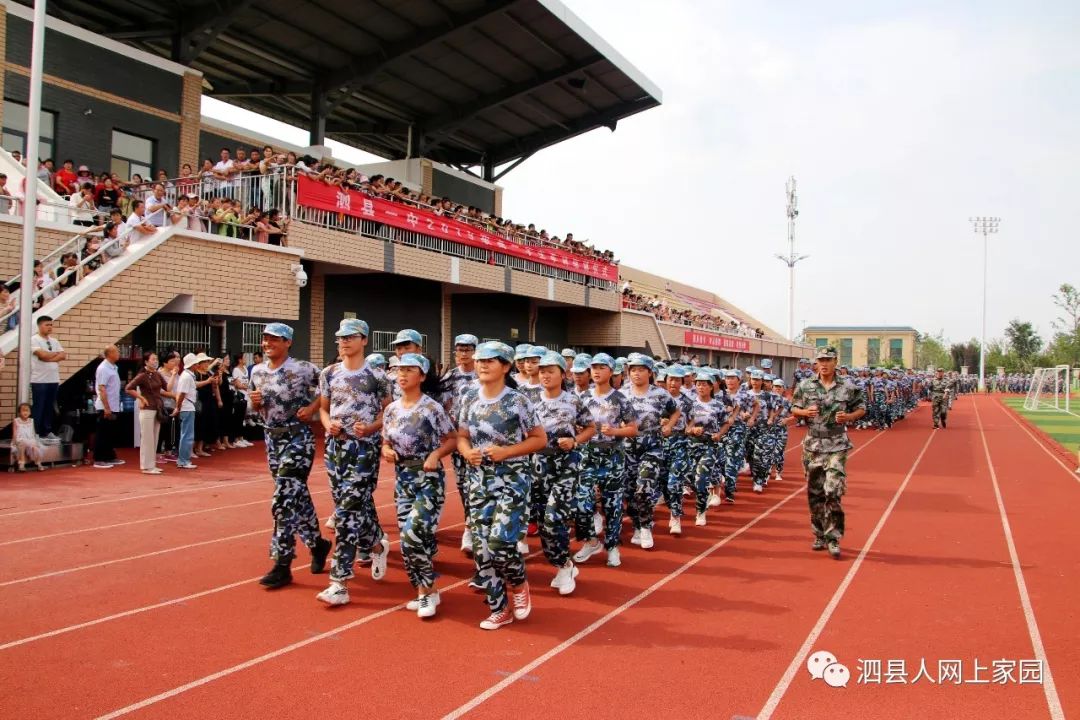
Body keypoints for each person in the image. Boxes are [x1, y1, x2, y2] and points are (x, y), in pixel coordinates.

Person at [456, 341, 546, 630]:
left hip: (512, 480)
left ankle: (519, 584)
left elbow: (539, 439)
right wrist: (466, 451)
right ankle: (499, 608)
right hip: (479, 481)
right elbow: (461, 435)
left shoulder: (517, 401)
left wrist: (506, 452)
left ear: (505, 366)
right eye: (480, 359)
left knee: (501, 542)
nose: (482, 364)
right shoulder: (469, 396)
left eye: (490, 360)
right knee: (482, 550)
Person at [315, 318, 392, 606]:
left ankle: (339, 582)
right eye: (340, 337)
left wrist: (372, 428)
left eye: (350, 337)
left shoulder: (377, 376)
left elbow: (390, 412)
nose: (344, 342)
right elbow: (323, 409)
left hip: (364, 450)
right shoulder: (329, 373)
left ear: (364, 340)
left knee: (347, 512)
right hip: (335, 448)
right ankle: (375, 544)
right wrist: (328, 423)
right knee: (351, 506)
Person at [249, 322, 332, 589]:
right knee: (297, 497)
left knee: (284, 497)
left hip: (298, 438)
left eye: (274, 339)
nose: (268, 343)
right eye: (265, 339)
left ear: (287, 343)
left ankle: (282, 563)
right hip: (272, 439)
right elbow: (252, 406)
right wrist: (255, 402)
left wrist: (312, 408)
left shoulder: (303, 368)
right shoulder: (258, 371)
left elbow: (327, 387)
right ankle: (318, 544)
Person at [381, 353, 458, 618]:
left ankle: (427, 592)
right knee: (407, 541)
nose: (402, 374)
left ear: (422, 376)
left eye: (410, 370)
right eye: (399, 370)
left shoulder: (431, 408)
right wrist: (386, 450)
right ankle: (424, 588)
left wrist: (436, 455)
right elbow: (386, 441)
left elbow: (452, 438)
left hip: (428, 480)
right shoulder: (391, 409)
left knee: (414, 534)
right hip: (403, 480)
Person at [791, 346, 866, 559]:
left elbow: (862, 408)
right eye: (820, 360)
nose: (823, 364)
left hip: (837, 444)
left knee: (833, 490)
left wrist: (849, 417)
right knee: (815, 493)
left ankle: (833, 537)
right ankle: (819, 534)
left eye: (828, 360)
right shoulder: (806, 386)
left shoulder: (848, 387)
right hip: (813, 445)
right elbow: (794, 408)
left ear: (835, 362)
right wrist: (804, 412)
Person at [532, 352, 594, 594]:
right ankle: (560, 561)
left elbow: (590, 427)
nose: (545, 375)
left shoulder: (573, 401)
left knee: (554, 517)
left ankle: (564, 565)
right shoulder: (530, 402)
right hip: (539, 465)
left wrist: (575, 441)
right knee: (541, 521)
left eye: (550, 371)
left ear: (562, 374)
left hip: (566, 464)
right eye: (542, 371)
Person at [573, 353, 638, 568]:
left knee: (613, 505)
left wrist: (616, 431)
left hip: (612, 456)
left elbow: (633, 429)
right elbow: (575, 424)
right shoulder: (582, 398)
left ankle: (612, 547)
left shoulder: (620, 399)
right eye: (594, 367)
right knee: (582, 503)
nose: (596, 371)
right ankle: (591, 541)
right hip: (587, 455)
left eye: (602, 367)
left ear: (611, 371)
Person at [623, 354, 679, 549]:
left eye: (640, 369)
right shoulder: (621, 394)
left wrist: (669, 425)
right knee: (629, 492)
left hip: (652, 446)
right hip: (628, 448)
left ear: (650, 372)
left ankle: (646, 527)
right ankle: (638, 525)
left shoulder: (660, 394)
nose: (636, 374)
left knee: (644, 487)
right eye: (633, 370)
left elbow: (676, 411)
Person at [442, 334, 479, 555]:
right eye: (459, 349)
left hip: (481, 439)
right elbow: (442, 405)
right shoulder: (450, 377)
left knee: (479, 484)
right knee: (463, 484)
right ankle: (470, 524)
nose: (463, 354)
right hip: (458, 439)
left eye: (467, 349)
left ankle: (474, 527)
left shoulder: (482, 375)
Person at [126, 351, 166, 474]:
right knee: (147, 438)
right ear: (146, 361)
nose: (155, 361)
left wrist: (174, 374)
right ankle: (146, 466)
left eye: (156, 359)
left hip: (157, 408)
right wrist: (141, 398)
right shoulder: (142, 375)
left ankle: (152, 464)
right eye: (153, 359)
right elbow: (128, 388)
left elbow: (167, 388)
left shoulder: (157, 374)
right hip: (147, 409)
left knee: (155, 437)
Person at [30, 316, 66, 438]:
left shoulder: (54, 341)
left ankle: (47, 431)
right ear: (40, 326)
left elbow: (63, 355)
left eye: (51, 325)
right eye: (47, 325)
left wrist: (50, 355)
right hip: (39, 380)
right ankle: (36, 432)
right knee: (39, 406)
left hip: (53, 379)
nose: (50, 327)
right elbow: (42, 355)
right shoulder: (34, 339)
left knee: (50, 406)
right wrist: (54, 355)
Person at [174, 353, 207, 469]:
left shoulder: (188, 375)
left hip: (188, 406)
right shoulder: (187, 376)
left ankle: (184, 459)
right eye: (196, 363)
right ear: (192, 364)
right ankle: (183, 460)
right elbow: (182, 393)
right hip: (187, 407)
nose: (197, 364)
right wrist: (178, 407)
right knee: (187, 435)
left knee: (187, 435)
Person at [93, 345, 124, 469]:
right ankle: (99, 458)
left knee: (110, 433)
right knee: (103, 433)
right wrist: (106, 408)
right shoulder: (103, 368)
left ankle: (109, 455)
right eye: (117, 351)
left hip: (114, 405)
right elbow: (102, 388)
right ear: (109, 353)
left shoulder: (113, 367)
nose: (119, 353)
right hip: (105, 406)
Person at [12, 402, 45, 472]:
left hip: (30, 439)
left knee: (36, 447)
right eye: (23, 411)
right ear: (19, 412)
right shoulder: (16, 421)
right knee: (22, 444)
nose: (25, 413)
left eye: (27, 411)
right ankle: (21, 464)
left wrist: (35, 441)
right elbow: (15, 432)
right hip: (20, 439)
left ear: (30, 412)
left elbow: (33, 431)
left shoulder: (31, 420)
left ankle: (39, 463)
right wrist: (14, 441)